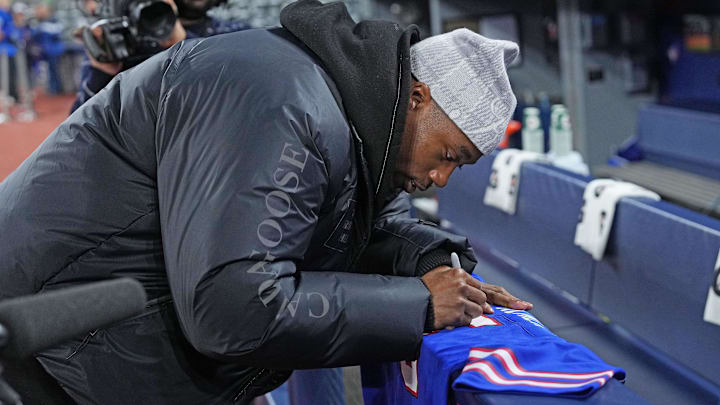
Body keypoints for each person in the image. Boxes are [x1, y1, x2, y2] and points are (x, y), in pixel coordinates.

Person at [0, 1, 531, 404]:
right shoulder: (278, 100)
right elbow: (235, 309)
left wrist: (436, 264)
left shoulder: (351, 112)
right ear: (418, 97)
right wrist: (420, 303)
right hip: (45, 348)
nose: (440, 177)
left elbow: (367, 218)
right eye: (449, 155)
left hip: (100, 345)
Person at [70, 0, 249, 112]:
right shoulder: (126, 40)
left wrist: (184, 44)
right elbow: (80, 127)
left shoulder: (236, 34)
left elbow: (244, 99)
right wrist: (102, 74)